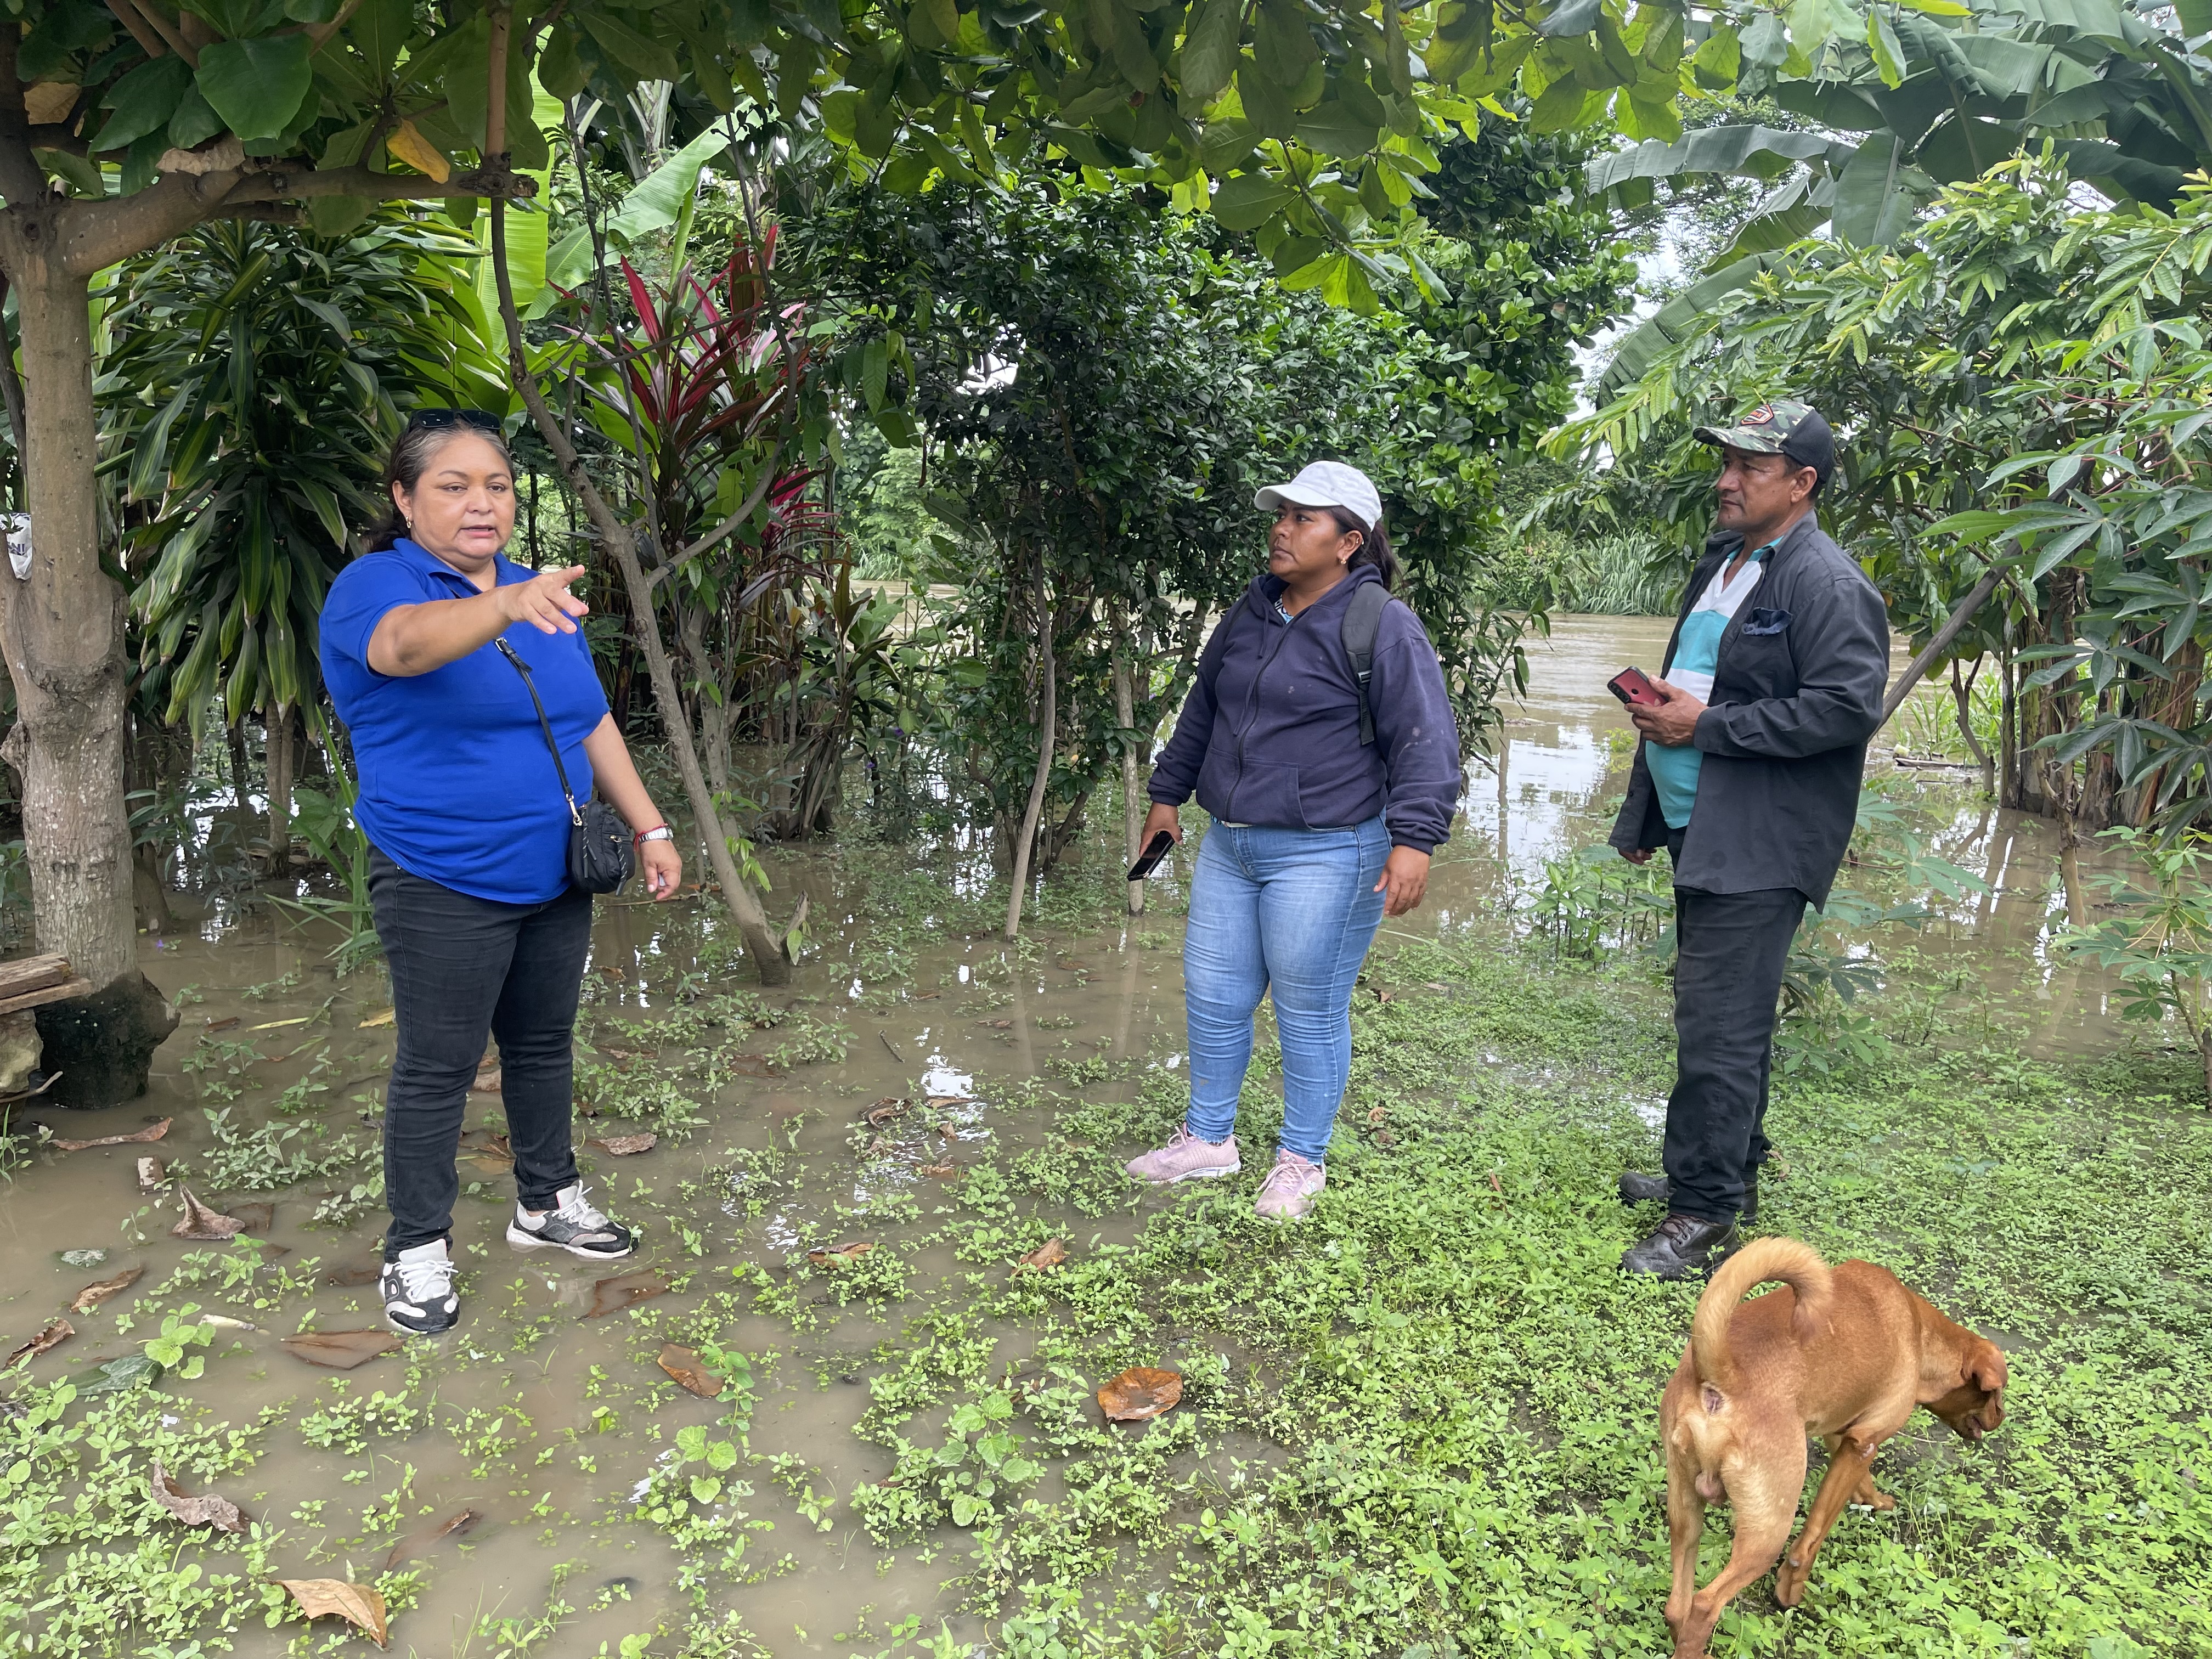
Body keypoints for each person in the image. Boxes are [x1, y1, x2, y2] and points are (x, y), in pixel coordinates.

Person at [319, 410, 685, 1335]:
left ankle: (546, 1200)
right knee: (438, 1066)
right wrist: (503, 608)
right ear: (405, 499)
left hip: (554, 869)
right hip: (440, 873)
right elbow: (404, 648)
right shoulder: (377, 584)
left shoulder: (537, 590)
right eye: (453, 486)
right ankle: (415, 1247)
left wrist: (650, 825)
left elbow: (587, 718)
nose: (482, 503)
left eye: (498, 485)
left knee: (542, 1044)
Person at [1127, 461, 1462, 1221]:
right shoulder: (1251, 611)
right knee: (1215, 996)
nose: (1282, 529)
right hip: (1231, 845)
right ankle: (1208, 1141)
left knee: (1308, 1008)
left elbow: (1426, 739)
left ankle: (1302, 1161)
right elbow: (1204, 710)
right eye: (1280, 514)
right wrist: (1166, 797)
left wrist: (1414, 840)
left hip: (1329, 849)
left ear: (1349, 542)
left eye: (1303, 518)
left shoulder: (1382, 626)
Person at [1609, 399, 1889, 1279]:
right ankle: (1725, 1170)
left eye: (1750, 468)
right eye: (1726, 463)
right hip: (1700, 826)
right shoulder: (1725, 563)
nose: (1727, 482)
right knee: (1725, 1019)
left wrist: (1708, 727)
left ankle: (1702, 1215)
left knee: (1718, 1031)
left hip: (1761, 840)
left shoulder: (1826, 583)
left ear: (1801, 483)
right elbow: (1682, 693)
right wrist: (1645, 812)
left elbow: (1845, 709)